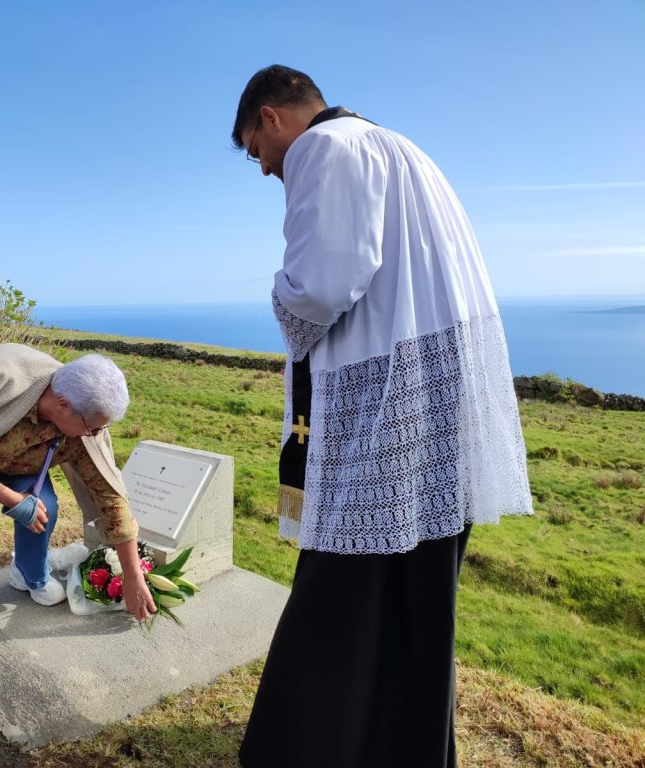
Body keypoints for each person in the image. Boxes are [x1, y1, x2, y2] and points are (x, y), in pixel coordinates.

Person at [230, 65, 533, 767]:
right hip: (441, 393)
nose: (265, 167)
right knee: (418, 592)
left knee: (342, 590)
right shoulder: (405, 149)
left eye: (255, 149)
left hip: (385, 406)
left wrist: (278, 292)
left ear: (272, 118)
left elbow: (323, 283)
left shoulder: (323, 148)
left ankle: (307, 749)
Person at [0, 344, 156, 643]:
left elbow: (109, 495)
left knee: (46, 507)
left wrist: (132, 577)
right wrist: (11, 499)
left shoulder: (82, 422)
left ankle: (29, 572)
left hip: (22, 467)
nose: (93, 436)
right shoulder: (2, 380)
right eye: (92, 428)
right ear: (64, 405)